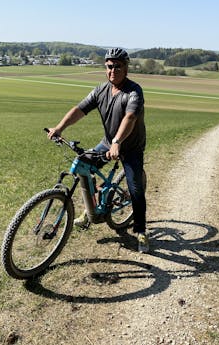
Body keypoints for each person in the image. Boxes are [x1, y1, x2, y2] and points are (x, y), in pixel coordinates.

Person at [47, 48, 149, 253]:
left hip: (130, 147)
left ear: (126, 68)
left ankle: (141, 231)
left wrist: (117, 142)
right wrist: (59, 128)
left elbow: (129, 118)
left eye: (117, 66)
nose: (113, 70)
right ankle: (91, 209)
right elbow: (79, 109)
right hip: (108, 142)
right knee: (83, 165)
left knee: (136, 188)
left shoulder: (134, 92)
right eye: (109, 66)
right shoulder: (100, 90)